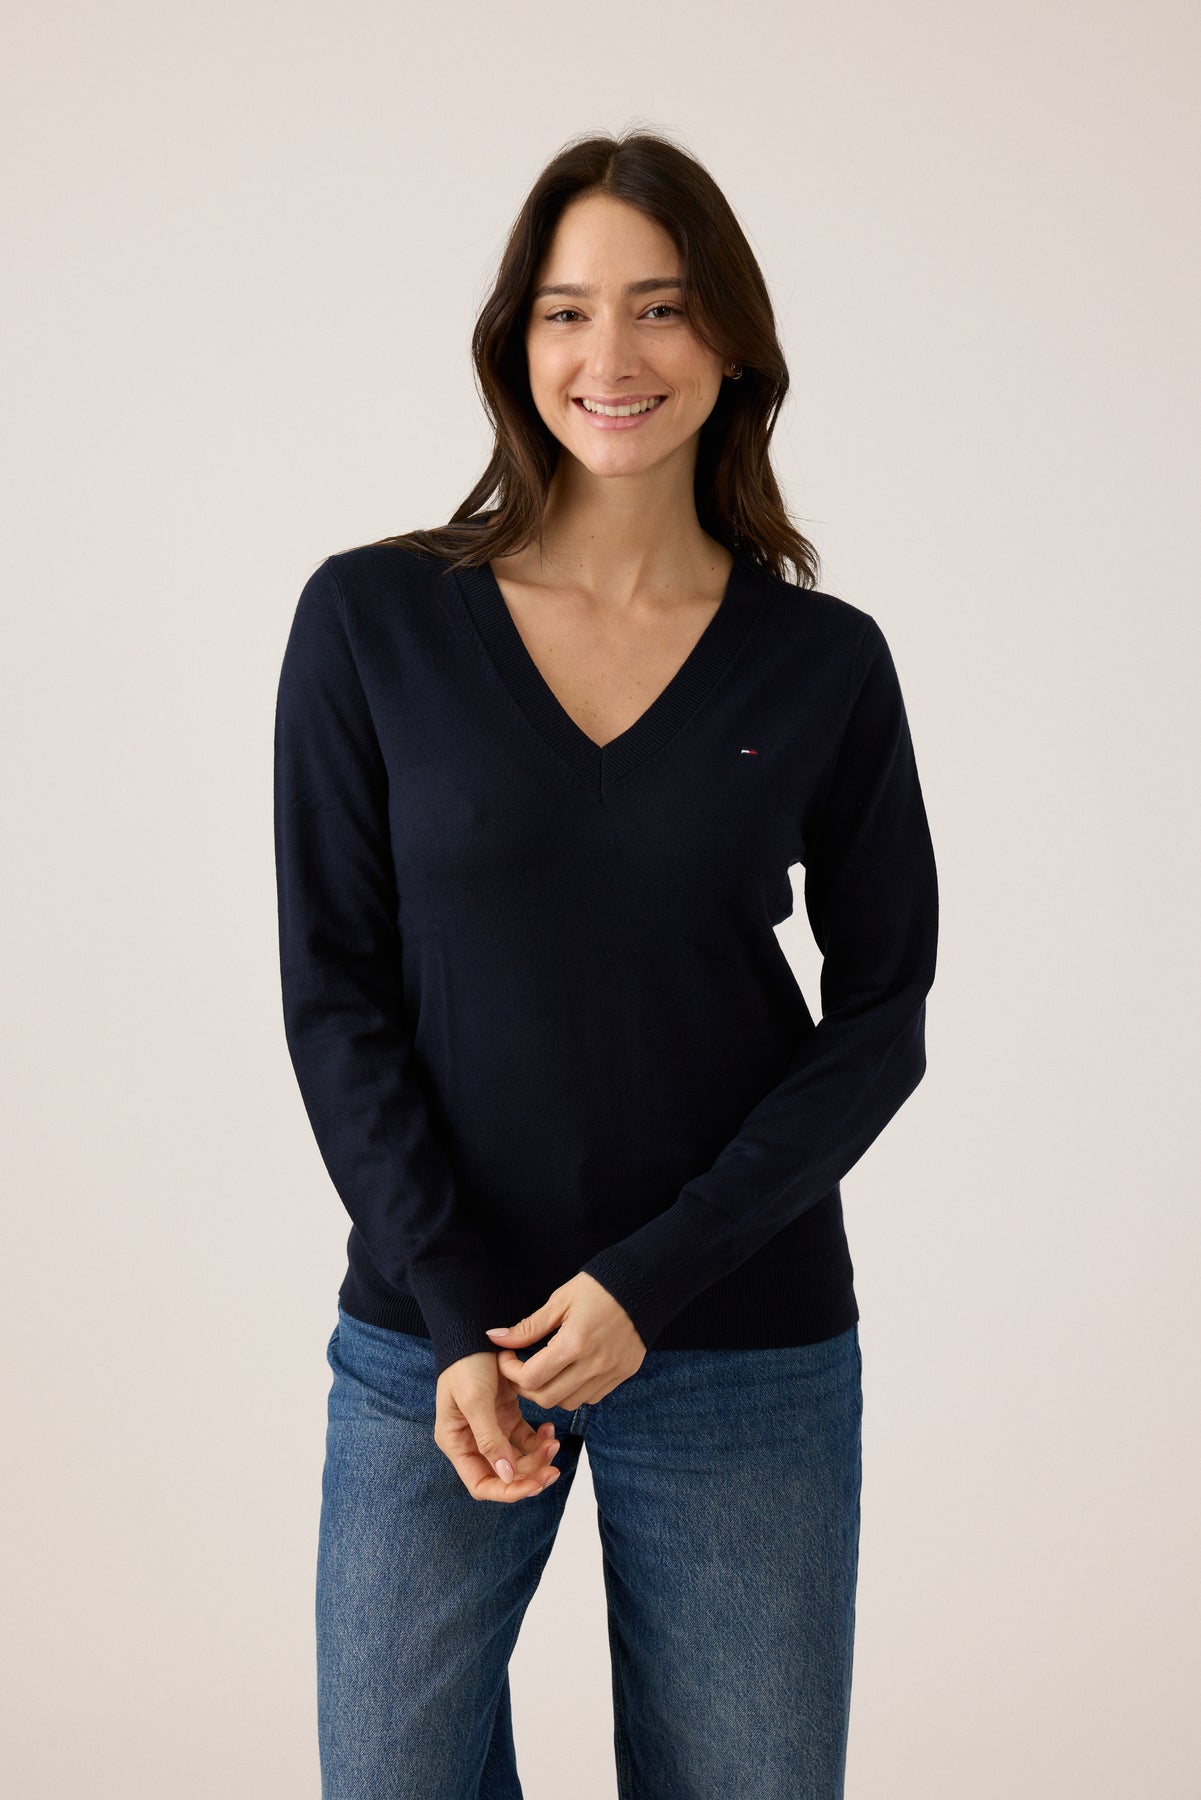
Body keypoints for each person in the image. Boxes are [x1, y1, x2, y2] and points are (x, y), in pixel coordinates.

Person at [273, 127, 939, 1800]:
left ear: (731, 344)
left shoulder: (822, 662)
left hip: (742, 1348)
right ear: (517, 343)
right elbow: (336, 993)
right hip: (435, 1342)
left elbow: (879, 1017)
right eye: (567, 311)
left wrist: (657, 1279)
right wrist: (450, 1321)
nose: (611, 355)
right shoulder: (369, 621)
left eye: (660, 306)